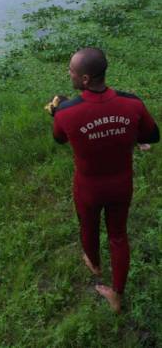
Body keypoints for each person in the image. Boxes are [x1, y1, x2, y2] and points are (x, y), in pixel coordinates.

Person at [52, 47, 159, 313]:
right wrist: (124, 135)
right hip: (121, 184)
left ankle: (94, 263)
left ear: (85, 79)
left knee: (88, 225)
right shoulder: (132, 103)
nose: (69, 73)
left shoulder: (66, 112)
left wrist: (57, 112)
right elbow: (152, 136)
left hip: (88, 187)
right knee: (119, 236)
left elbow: (59, 138)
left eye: (72, 71)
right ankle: (117, 295)